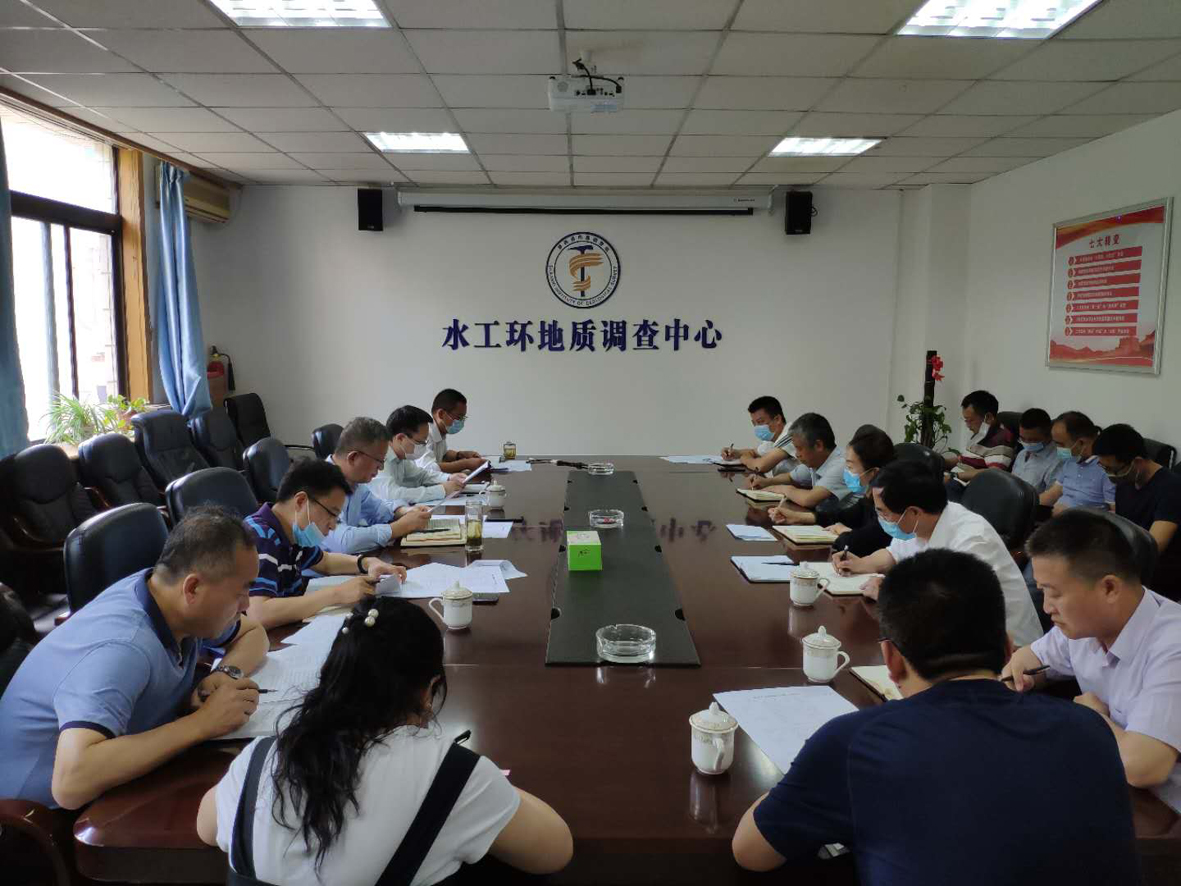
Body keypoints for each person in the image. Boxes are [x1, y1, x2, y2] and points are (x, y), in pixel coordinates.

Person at [732, 549, 1139, 885]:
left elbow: (750, 852)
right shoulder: (1088, 729)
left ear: (891, 658)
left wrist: (811, 774)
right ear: (1007, 648)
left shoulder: (854, 741)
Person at [197, 598, 573, 884]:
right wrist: (484, 778)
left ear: (333, 676)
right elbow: (555, 850)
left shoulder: (258, 760)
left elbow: (205, 827)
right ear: (429, 690)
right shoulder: (451, 777)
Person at [0, 507, 268, 809]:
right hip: (39, 816)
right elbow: (71, 783)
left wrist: (225, 673)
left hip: (117, 770)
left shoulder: (168, 598)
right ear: (193, 588)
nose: (246, 604)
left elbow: (253, 633)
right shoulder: (123, 647)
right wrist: (203, 722)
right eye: (241, 592)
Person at [1005, 510, 1181, 813]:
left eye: (1054, 594)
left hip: (1163, 812)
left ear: (1109, 588)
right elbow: (1028, 658)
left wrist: (1093, 718)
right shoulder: (1086, 623)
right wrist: (1026, 677)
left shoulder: (1172, 647)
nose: (1046, 607)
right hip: (1109, 778)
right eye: (1042, 591)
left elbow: (1142, 768)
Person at [833, 459, 1043, 647]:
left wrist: (889, 595)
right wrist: (860, 563)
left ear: (913, 512)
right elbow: (892, 555)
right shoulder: (923, 520)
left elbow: (947, 614)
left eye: (883, 513)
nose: (881, 519)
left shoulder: (972, 543)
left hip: (1005, 651)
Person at [245, 459, 405, 629]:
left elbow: (325, 561)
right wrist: (336, 594)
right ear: (301, 501)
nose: (333, 526)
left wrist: (367, 563)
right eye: (331, 514)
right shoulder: (259, 536)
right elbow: (260, 613)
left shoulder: (292, 532)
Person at [321, 417, 433, 555]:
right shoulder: (320, 484)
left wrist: (404, 511)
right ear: (353, 458)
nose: (381, 468)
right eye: (378, 461)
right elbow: (345, 543)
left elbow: (378, 509)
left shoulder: (354, 481)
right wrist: (399, 527)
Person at [1094, 422, 1181, 600]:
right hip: (1128, 563)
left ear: (1137, 462)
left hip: (1158, 573)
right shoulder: (1125, 481)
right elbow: (1122, 528)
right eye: (1104, 468)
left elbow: (1152, 547)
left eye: (1111, 469)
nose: (1109, 475)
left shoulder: (1172, 488)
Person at [770, 425, 892, 532]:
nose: (846, 472)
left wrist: (847, 534)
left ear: (873, 473)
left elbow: (874, 537)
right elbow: (841, 517)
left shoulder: (888, 502)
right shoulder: (868, 498)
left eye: (850, 467)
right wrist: (796, 517)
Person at [371, 405, 469, 505]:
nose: (424, 447)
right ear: (400, 438)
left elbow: (421, 476)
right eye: (420, 442)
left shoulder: (401, 457)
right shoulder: (380, 457)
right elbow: (392, 495)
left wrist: (449, 478)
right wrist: (441, 490)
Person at [754, 413, 852, 508]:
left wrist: (780, 489)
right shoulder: (817, 461)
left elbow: (808, 500)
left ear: (818, 445)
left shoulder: (841, 465)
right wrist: (767, 482)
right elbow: (790, 477)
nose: (797, 454)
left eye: (799, 448)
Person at [1040, 411, 1114, 513]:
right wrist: (1029, 506)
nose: (1057, 449)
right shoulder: (1071, 460)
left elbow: (1115, 514)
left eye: (1060, 444)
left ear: (1081, 443)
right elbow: (1053, 493)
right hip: (1055, 518)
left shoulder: (1106, 467)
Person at [720, 396, 801, 481]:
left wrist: (745, 459)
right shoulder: (773, 438)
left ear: (777, 419)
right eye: (754, 423)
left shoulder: (790, 434)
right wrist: (734, 452)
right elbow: (754, 452)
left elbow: (761, 466)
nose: (757, 427)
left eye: (760, 422)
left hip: (802, 487)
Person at [946, 390, 1016, 481]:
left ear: (988, 417)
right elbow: (964, 459)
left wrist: (955, 476)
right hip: (955, 477)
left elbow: (993, 473)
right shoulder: (981, 434)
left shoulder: (1001, 440)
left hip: (965, 485)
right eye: (966, 420)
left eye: (970, 420)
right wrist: (941, 462)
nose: (968, 425)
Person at [418, 388, 485, 475]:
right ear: (441, 414)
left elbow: (442, 455)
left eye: (463, 418)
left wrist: (460, 455)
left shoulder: (440, 431)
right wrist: (465, 464)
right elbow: (428, 468)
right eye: (458, 417)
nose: (461, 422)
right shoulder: (424, 432)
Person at [1011, 407, 1062, 494]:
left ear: (1049, 435)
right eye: (1022, 438)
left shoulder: (1057, 461)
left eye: (1032, 440)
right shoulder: (1022, 454)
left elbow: (1050, 498)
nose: (1026, 443)